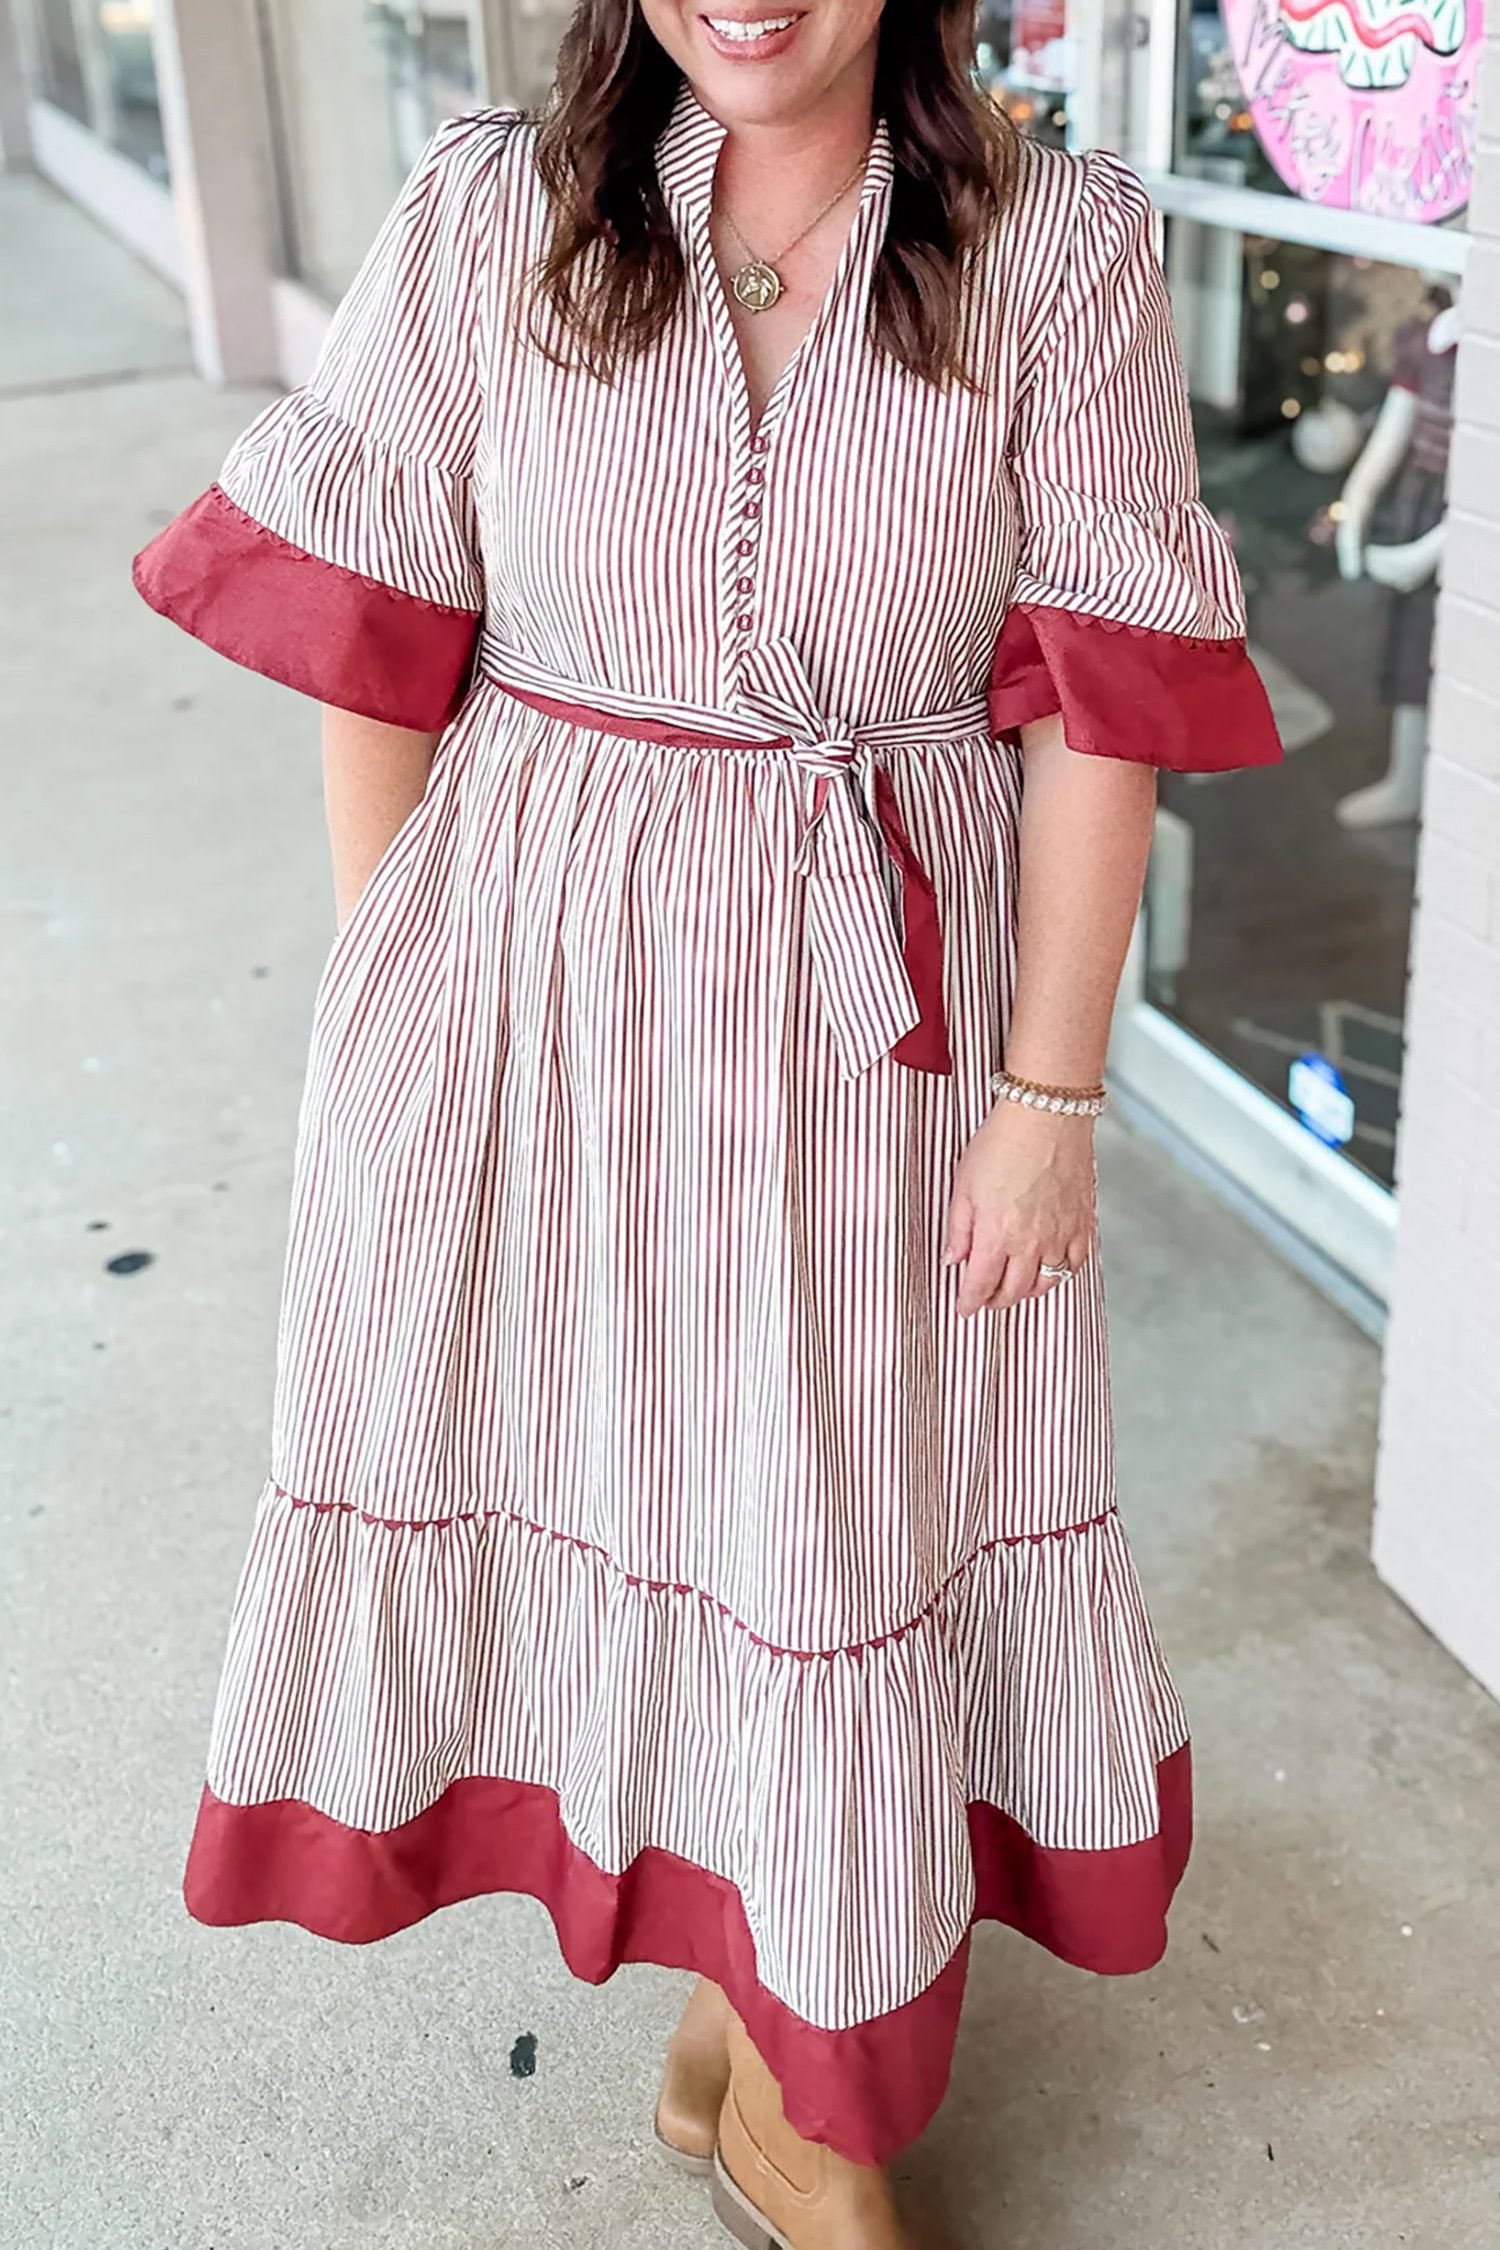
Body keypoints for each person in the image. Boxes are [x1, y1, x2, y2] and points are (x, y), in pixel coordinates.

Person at [132, 3, 1282, 2243]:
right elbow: (389, 625)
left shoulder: (1059, 249)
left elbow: (1098, 718)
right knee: (625, 1472)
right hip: (533, 986)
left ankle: (806, 2058)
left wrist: (1049, 1097)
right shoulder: (494, 213)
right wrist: (407, 1015)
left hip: (880, 1016)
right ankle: (738, 1981)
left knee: (834, 1519)